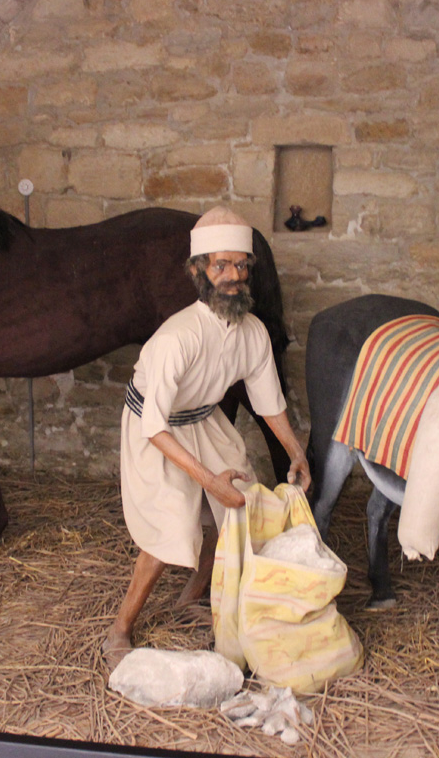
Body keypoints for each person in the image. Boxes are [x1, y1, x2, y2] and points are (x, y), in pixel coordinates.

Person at [103, 206, 311, 671]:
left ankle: (190, 597)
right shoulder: (178, 337)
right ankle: (119, 629)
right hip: (153, 428)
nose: (233, 277)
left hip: (203, 420)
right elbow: (154, 425)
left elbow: (268, 402)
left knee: (238, 506)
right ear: (199, 271)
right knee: (171, 521)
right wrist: (204, 479)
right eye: (221, 266)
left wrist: (297, 452)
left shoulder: (252, 331)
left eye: (241, 266)